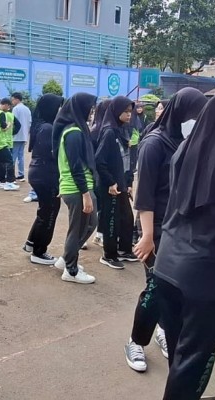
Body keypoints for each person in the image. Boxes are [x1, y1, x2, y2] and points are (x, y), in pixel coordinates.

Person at [124, 87, 208, 373]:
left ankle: (161, 329)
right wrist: (147, 236)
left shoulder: (186, 141)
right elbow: (143, 194)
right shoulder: (154, 144)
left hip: (175, 229)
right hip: (154, 226)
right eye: (193, 116)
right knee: (155, 289)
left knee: (168, 293)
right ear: (180, 113)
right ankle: (135, 341)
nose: (196, 121)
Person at [153, 93, 215, 399]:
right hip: (204, 275)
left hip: (168, 263)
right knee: (194, 361)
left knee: (179, 356)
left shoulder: (184, 148)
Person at [52, 92, 98, 284]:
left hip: (78, 187)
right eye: (90, 107)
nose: (92, 111)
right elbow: (75, 166)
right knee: (77, 229)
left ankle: (66, 259)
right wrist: (85, 194)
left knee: (89, 224)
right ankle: (70, 270)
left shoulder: (76, 129)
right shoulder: (73, 132)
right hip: (77, 188)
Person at [95, 96, 137, 269]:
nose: (129, 115)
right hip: (110, 186)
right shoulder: (109, 131)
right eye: (125, 111)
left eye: (130, 111)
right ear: (116, 111)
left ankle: (124, 249)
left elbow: (126, 160)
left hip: (120, 183)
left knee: (127, 217)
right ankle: (109, 255)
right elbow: (99, 160)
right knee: (111, 220)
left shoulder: (122, 130)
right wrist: (111, 182)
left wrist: (128, 181)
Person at [23, 94, 64, 265]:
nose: (61, 110)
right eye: (59, 107)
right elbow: (54, 155)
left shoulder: (41, 125)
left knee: (44, 210)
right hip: (46, 175)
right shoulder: (48, 128)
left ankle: (32, 243)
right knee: (50, 212)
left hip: (39, 172)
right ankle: (40, 252)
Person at [88, 99, 111, 249]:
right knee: (98, 206)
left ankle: (97, 235)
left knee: (99, 206)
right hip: (98, 173)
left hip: (96, 172)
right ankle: (96, 235)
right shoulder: (100, 130)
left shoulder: (96, 129)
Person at [0, 98, 21, 191]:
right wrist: (9, 125)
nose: (9, 108)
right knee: (9, 161)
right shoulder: (1, 113)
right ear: (6, 105)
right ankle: (9, 182)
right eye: (9, 106)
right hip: (1, 142)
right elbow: (3, 127)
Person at [11, 92, 32, 182]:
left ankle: (10, 174)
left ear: (17, 99)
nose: (12, 101)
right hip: (24, 135)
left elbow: (13, 122)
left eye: (12, 99)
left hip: (16, 135)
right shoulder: (27, 109)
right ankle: (21, 174)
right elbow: (30, 122)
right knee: (21, 156)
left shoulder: (16, 109)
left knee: (13, 156)